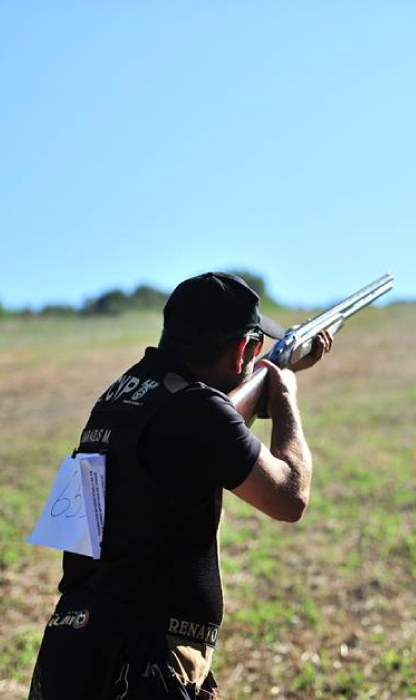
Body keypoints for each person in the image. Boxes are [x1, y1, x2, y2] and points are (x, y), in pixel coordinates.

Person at [28, 272, 332, 700]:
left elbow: (198, 451)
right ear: (245, 347)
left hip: (78, 641)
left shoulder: (120, 394)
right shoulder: (198, 409)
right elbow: (289, 497)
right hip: (144, 663)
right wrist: (284, 394)